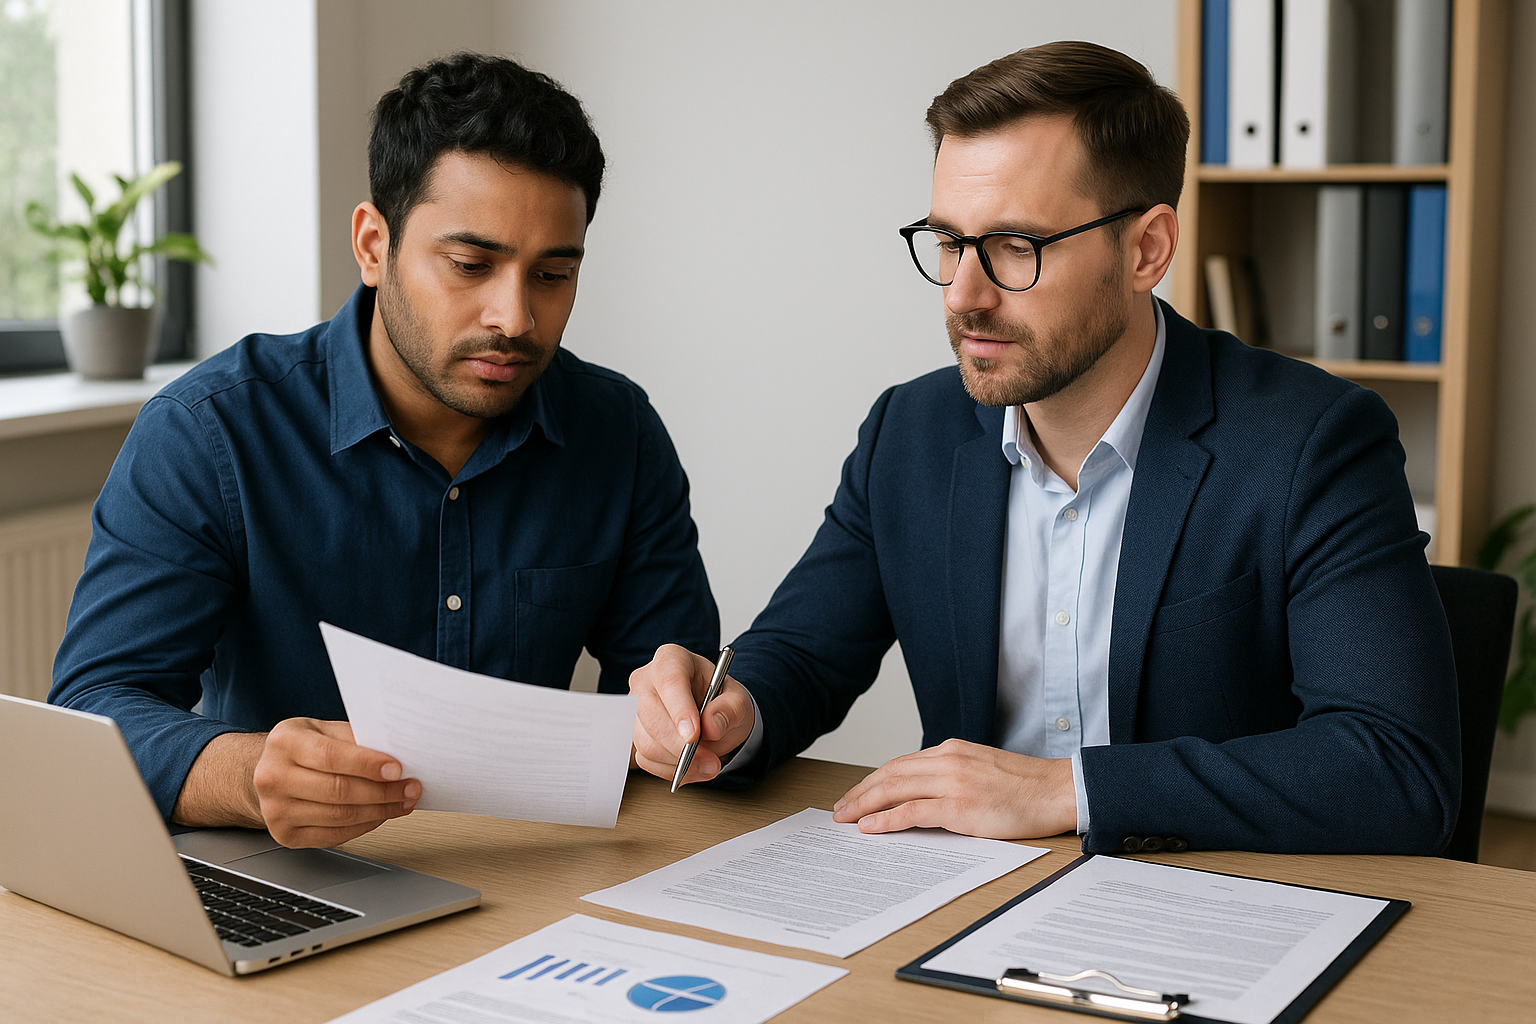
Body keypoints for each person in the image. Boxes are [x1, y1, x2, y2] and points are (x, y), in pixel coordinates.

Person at [629, 41, 1460, 855]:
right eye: (950, 241)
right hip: (965, 897)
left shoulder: (1311, 442)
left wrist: (1068, 790)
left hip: (1207, 906)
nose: (963, 295)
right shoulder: (909, 433)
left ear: (1147, 250)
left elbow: (1395, 765)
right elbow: (804, 655)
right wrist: (730, 713)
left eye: (1015, 247)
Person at [52, 53, 718, 849]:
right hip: (288, 870)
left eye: (552, 274)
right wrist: (247, 773)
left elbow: (675, 690)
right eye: (471, 265)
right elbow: (96, 704)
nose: (515, 316)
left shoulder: (618, 432)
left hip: (534, 872)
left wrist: (683, 716)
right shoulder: (210, 432)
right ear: (374, 245)